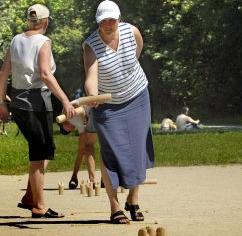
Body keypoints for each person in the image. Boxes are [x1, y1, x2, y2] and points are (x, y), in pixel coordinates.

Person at [0, 4, 75, 218]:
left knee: (46, 149)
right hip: (37, 102)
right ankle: (39, 206)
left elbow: (4, 73)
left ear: (29, 20)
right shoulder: (44, 41)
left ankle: (31, 196)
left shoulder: (15, 41)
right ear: (46, 22)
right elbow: (45, 74)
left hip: (19, 102)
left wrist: (2, 103)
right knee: (39, 154)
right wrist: (65, 100)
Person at [83, 0, 154, 224]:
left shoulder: (131, 31)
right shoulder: (91, 45)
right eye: (103, 20)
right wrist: (93, 97)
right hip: (107, 105)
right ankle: (115, 208)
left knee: (138, 148)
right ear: (98, 22)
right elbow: (91, 78)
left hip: (138, 96)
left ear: (119, 18)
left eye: (112, 19)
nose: (108, 24)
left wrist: (126, 78)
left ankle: (133, 200)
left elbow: (137, 52)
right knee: (110, 151)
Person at [60, 105, 97, 189]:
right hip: (92, 118)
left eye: (67, 130)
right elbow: (81, 150)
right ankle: (78, 177)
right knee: (86, 148)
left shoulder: (65, 113)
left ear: (62, 124)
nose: (70, 130)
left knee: (90, 146)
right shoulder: (78, 125)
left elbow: (77, 105)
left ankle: (95, 180)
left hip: (94, 110)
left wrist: (84, 119)